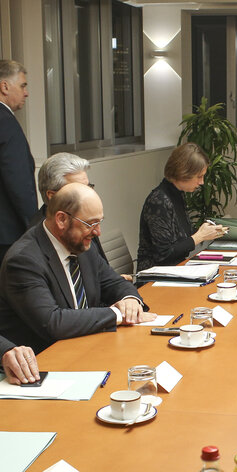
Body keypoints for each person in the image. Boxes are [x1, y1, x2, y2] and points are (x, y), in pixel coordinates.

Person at [0, 183, 156, 354]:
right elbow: (53, 323)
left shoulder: (81, 245)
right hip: (46, 360)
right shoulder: (23, 261)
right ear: (61, 219)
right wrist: (117, 315)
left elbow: (114, 282)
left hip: (88, 347)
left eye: (99, 222)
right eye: (90, 224)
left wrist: (130, 300)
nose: (98, 232)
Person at [137, 142, 226, 271]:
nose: (202, 182)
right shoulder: (159, 201)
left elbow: (183, 238)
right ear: (184, 173)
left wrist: (206, 231)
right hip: (154, 275)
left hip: (176, 269)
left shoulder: (178, 194)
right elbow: (164, 254)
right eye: (199, 177)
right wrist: (199, 236)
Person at [31, 152, 108, 262]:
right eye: (78, 190)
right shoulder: (35, 247)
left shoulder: (85, 220)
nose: (88, 194)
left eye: (88, 187)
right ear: (53, 197)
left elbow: (102, 274)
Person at [0, 60, 36, 264]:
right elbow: (19, 183)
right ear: (4, 87)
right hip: (8, 236)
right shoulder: (6, 123)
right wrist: (33, 229)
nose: (26, 92)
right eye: (22, 85)